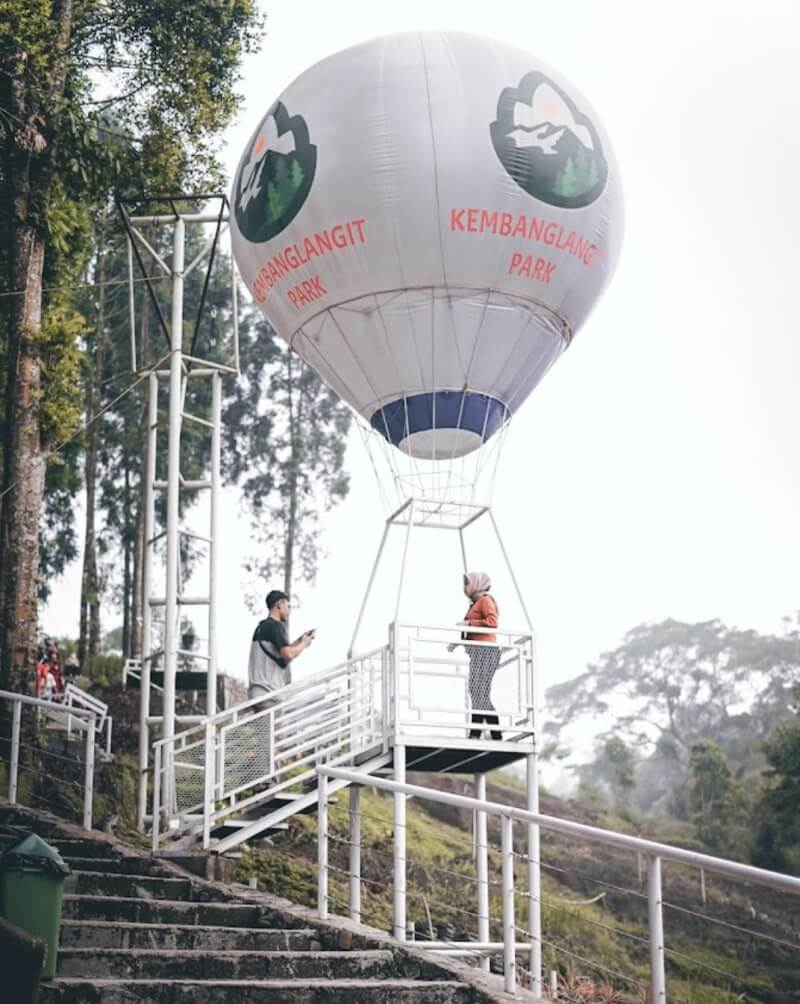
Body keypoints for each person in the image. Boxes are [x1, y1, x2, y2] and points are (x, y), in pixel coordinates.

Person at [247, 590, 314, 701]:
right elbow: (287, 654)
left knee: (262, 719)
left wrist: (299, 641)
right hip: (269, 694)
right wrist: (304, 644)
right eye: (288, 607)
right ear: (279, 605)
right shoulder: (275, 626)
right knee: (272, 718)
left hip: (257, 693)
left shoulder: (262, 627)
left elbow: (279, 654)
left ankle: (257, 721)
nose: (289, 611)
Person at [460, 572, 502, 741]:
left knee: (480, 692)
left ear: (476, 584)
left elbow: (492, 622)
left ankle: (490, 733)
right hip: (477, 652)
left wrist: (470, 623)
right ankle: (477, 733)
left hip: (487, 652)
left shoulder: (485, 601)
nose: (464, 588)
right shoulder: (474, 604)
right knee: (476, 691)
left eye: (467, 584)